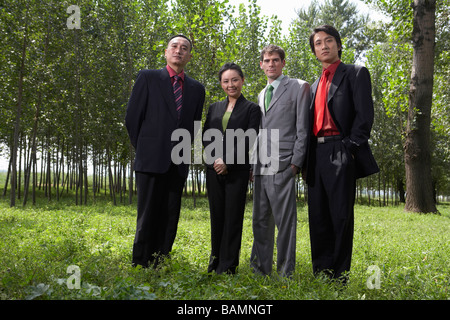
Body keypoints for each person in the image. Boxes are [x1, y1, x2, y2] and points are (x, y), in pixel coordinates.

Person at [306, 25, 379, 283]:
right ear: (314, 51)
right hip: (315, 154)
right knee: (318, 216)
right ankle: (321, 272)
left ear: (338, 44)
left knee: (340, 215)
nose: (323, 46)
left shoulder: (355, 73)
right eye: (318, 43)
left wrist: (349, 148)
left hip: (341, 148)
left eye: (328, 41)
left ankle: (339, 276)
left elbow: (364, 116)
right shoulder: (313, 85)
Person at [125, 35, 205, 268]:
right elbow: (132, 119)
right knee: (147, 214)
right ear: (166, 52)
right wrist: (146, 148)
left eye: (184, 48)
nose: (179, 51)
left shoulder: (196, 89)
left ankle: (161, 261)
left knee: (170, 216)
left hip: (178, 162)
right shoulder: (148, 78)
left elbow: (195, 126)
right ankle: (140, 263)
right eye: (174, 47)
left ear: (189, 56)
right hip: (150, 159)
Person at [250, 45, 311, 277]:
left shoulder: (298, 87)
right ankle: (259, 270)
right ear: (261, 65)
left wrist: (296, 162)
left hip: (284, 163)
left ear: (283, 63)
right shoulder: (261, 93)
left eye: (276, 60)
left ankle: (286, 271)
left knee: (285, 223)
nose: (271, 64)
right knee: (260, 219)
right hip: (261, 165)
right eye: (267, 60)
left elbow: (302, 128)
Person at [202, 63, 261, 274]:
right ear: (221, 84)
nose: (230, 85)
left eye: (234, 80)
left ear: (242, 80)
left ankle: (228, 267)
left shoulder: (252, 109)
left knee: (233, 218)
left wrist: (227, 160)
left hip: (237, 171)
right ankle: (214, 263)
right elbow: (206, 136)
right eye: (226, 81)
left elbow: (250, 138)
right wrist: (217, 160)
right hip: (214, 169)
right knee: (217, 217)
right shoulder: (214, 107)